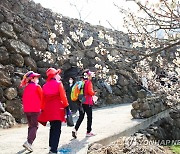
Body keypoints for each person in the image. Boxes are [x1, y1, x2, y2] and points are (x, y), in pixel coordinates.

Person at [38, 68, 69, 154]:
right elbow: (63, 97)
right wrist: (67, 107)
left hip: (49, 110)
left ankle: (51, 148)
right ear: (54, 75)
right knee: (57, 130)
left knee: (52, 128)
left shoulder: (44, 86)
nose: (58, 75)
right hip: (58, 110)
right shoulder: (59, 84)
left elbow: (42, 100)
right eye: (57, 74)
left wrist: (42, 110)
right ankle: (54, 150)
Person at [20, 71, 43, 152]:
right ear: (32, 79)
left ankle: (28, 141)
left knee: (30, 126)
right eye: (36, 77)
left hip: (27, 110)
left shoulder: (26, 87)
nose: (37, 79)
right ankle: (29, 142)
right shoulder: (37, 87)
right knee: (35, 126)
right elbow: (42, 98)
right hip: (35, 110)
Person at [72, 69, 96, 138]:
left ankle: (75, 129)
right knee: (89, 117)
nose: (91, 76)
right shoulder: (89, 83)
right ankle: (88, 131)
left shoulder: (81, 83)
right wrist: (94, 93)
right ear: (88, 76)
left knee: (81, 116)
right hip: (88, 102)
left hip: (81, 102)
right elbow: (90, 92)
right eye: (90, 75)